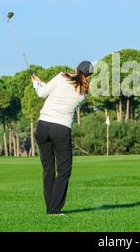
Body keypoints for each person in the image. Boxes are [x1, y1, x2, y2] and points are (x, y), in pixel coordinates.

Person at [31, 61, 94, 215]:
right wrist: (40, 83)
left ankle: (51, 208)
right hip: (61, 130)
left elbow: (43, 93)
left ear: (75, 69)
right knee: (64, 170)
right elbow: (64, 91)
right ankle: (54, 209)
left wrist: (37, 84)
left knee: (48, 170)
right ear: (88, 76)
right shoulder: (83, 92)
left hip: (43, 127)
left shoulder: (61, 77)